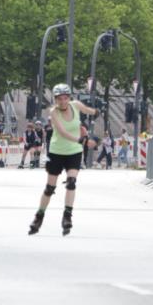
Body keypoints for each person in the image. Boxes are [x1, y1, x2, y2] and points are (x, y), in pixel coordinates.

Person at [28, 84, 97, 236]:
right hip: (57, 151)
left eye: (65, 98)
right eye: (59, 99)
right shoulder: (54, 112)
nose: (63, 102)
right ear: (55, 100)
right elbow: (63, 132)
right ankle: (39, 216)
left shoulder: (76, 105)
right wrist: (83, 141)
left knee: (71, 183)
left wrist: (97, 110)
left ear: (69, 98)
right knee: (49, 188)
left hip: (74, 152)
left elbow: (89, 111)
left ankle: (67, 216)